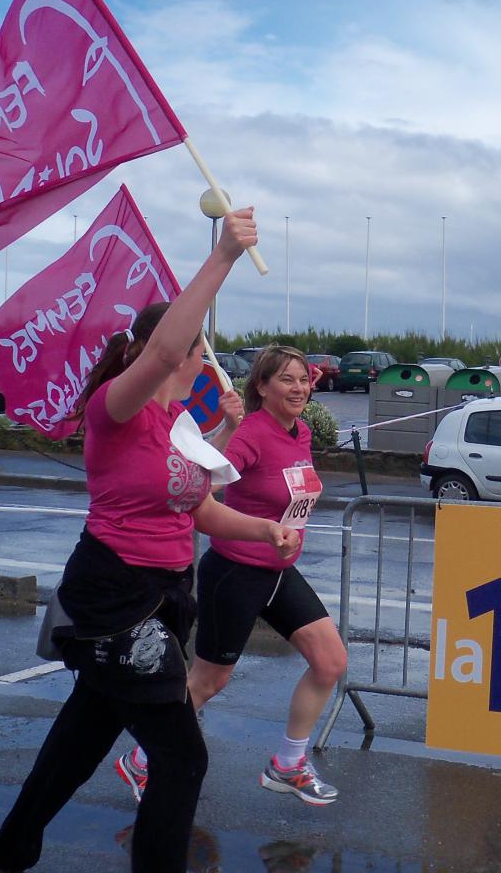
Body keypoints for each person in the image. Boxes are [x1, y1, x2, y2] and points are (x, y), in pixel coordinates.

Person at [0, 208, 300, 873]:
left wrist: (264, 528)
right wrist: (223, 257)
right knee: (182, 756)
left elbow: (199, 508)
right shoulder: (115, 410)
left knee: (84, 731)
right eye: (198, 350)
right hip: (116, 596)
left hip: (163, 599)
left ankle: (7, 853)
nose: (203, 360)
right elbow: (168, 351)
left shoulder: (176, 423)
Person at [116, 345, 347, 807]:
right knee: (208, 681)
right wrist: (226, 427)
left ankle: (288, 764)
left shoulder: (298, 432)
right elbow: (210, 484)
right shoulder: (253, 434)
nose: (299, 388)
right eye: (286, 379)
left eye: (304, 379)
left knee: (330, 663)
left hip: (278, 572)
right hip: (235, 572)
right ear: (261, 386)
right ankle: (141, 759)